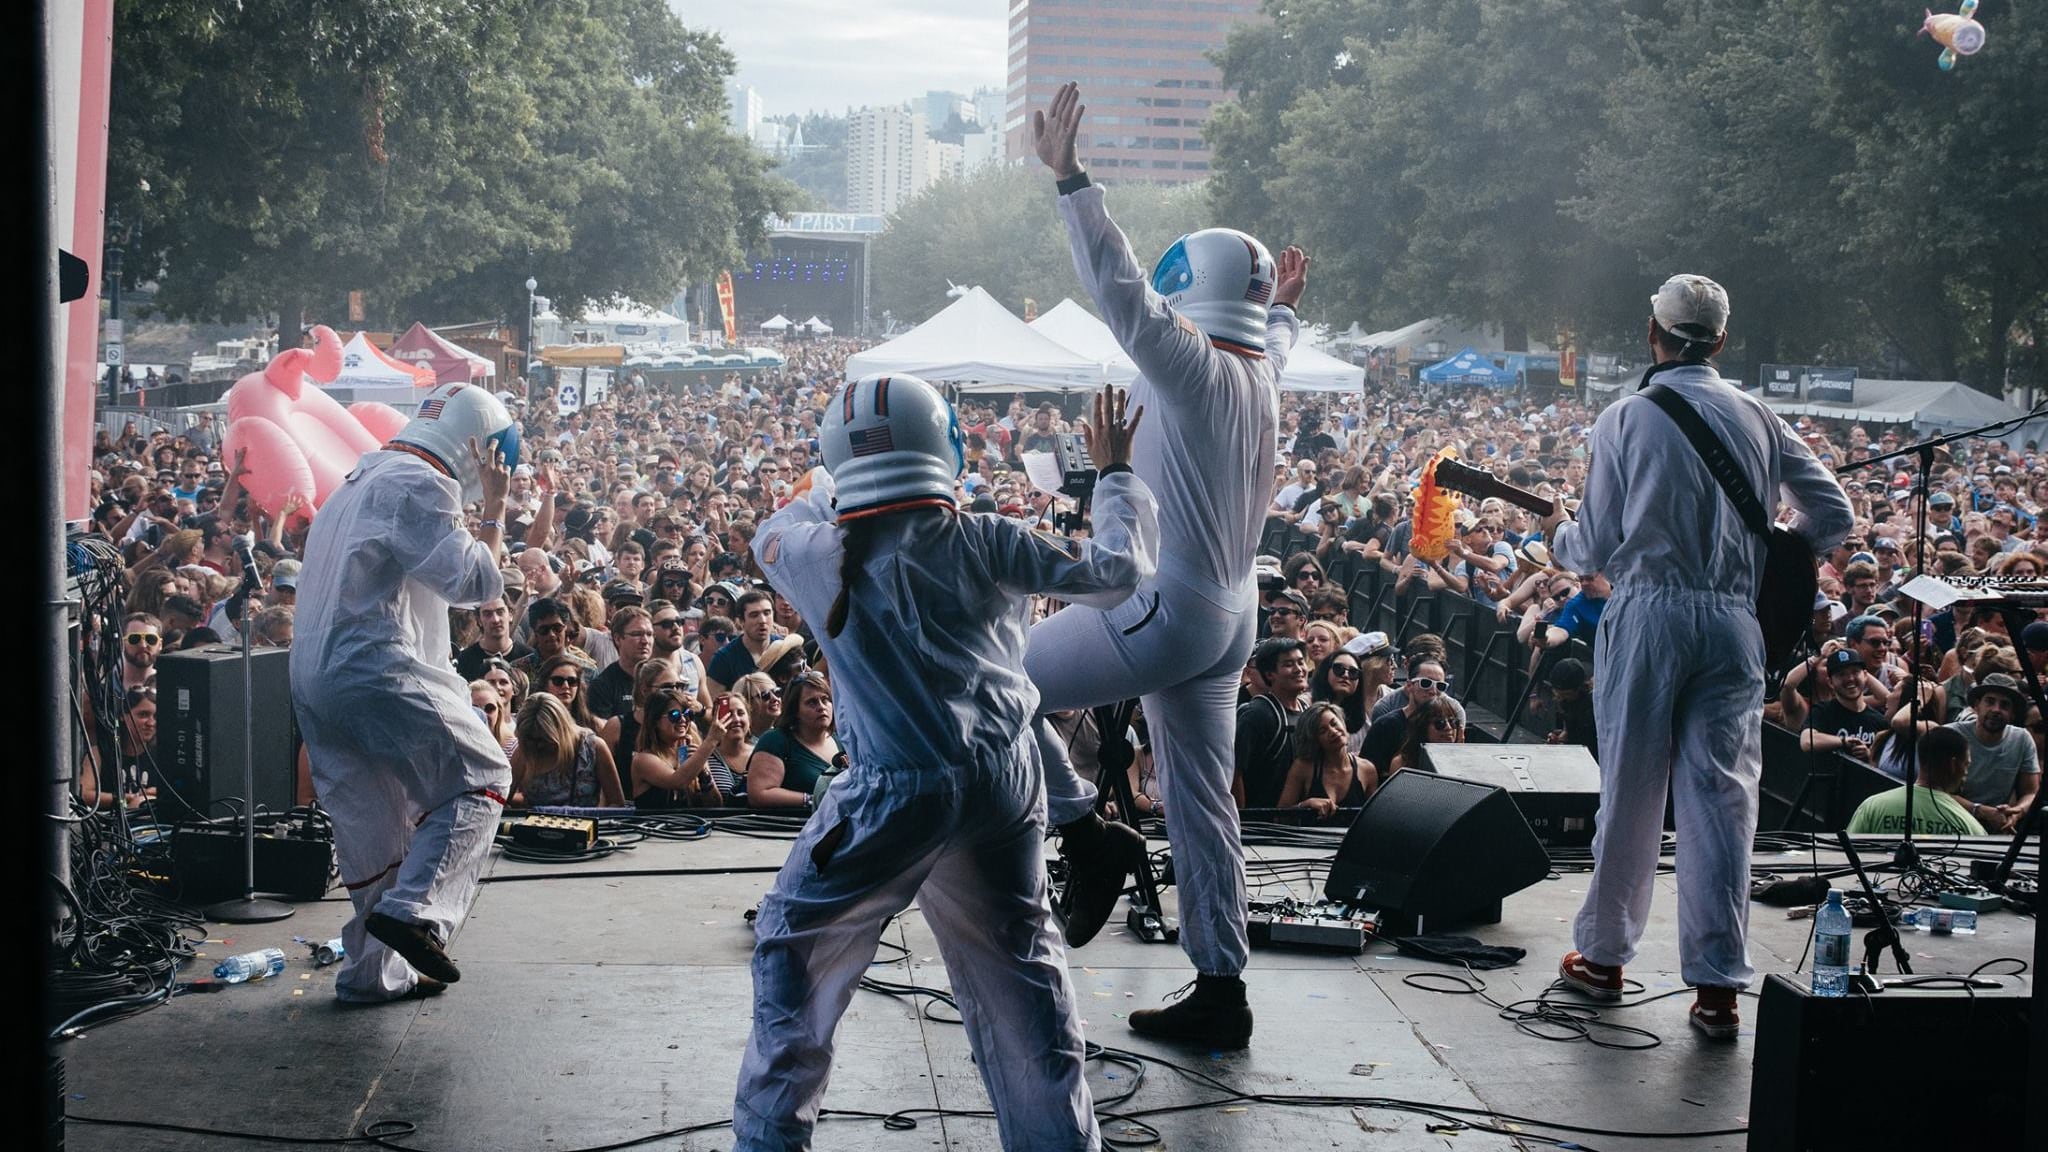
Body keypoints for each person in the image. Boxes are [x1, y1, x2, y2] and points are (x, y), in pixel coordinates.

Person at [732, 374, 1156, 1152]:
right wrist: (1117, 475)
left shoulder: (813, 554)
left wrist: (829, 482)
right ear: (947, 448)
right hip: (1003, 785)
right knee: (1022, 978)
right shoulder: (993, 537)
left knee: (792, 953)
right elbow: (1116, 573)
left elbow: (775, 526)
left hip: (892, 798)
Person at [1018, 76, 1312, 1053]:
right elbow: (1270, 336)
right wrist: (1281, 309)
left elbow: (1120, 289)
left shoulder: (1191, 363)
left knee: (992, 680)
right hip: (1229, 616)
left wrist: (1072, 182)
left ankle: (1081, 828)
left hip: (1167, 606)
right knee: (1199, 801)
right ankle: (1221, 989)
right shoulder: (1261, 373)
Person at [1542, 275, 1852, 1041]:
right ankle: (1717, 990)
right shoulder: (1758, 415)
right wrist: (1776, 555)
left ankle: (1604, 958)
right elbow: (1832, 514)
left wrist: (1557, 535)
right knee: (1723, 801)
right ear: (1720, 341)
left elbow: (1592, 543)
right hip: (1734, 621)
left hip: (1649, 612)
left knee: (1633, 789)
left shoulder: (1625, 417)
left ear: (1653, 333)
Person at [290, 382, 524, 1004]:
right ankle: (418, 912)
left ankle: (372, 975)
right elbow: (473, 582)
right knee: (481, 775)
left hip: (315, 676)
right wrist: (495, 508)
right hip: (372, 668)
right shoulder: (419, 483)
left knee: (380, 828)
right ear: (481, 451)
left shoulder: (355, 482)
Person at [1845, 726, 1984, 837]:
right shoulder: (1969, 827)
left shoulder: (1872, 807)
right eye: (1966, 765)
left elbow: (1848, 853)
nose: (1966, 773)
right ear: (1953, 765)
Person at [744, 670, 842, 809]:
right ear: (795, 711)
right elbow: (760, 794)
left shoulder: (842, 742)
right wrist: (812, 799)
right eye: (812, 702)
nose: (821, 707)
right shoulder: (776, 740)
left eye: (825, 699)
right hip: (795, 822)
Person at [1275, 701, 1372, 817]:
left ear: (1343, 722)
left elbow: (1376, 818)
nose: (1333, 732)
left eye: (1334, 723)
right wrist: (1305, 805)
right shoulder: (1303, 768)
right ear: (1314, 740)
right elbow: (1280, 817)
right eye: (1323, 731)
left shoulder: (1367, 769)